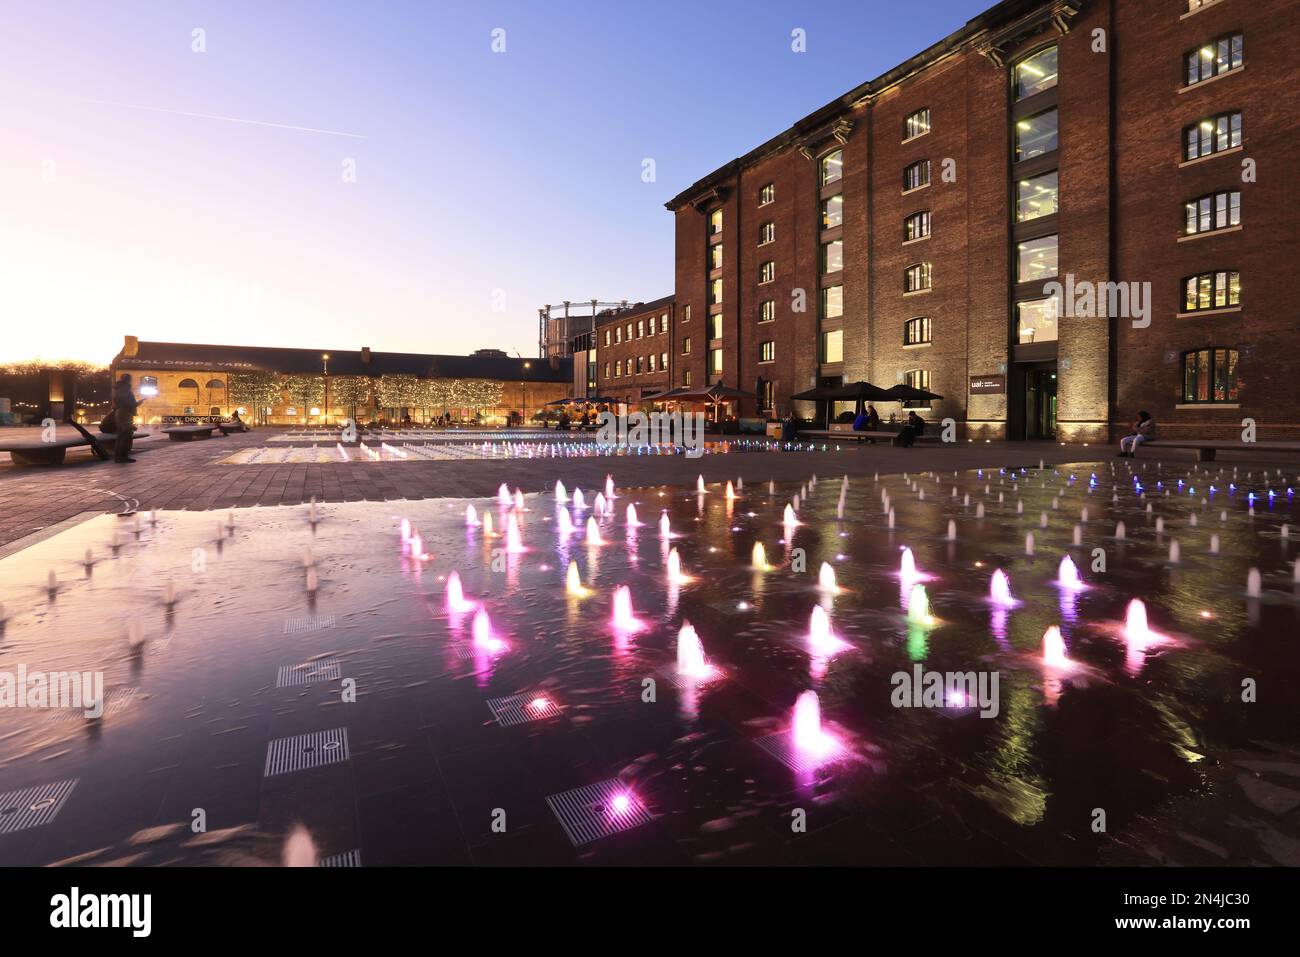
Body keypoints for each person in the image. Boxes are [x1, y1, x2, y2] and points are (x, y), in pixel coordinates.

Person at [111, 373, 140, 463]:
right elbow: (129, 403)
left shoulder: (119, 389)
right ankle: (122, 457)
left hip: (122, 413)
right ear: (127, 380)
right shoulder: (125, 389)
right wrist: (139, 403)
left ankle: (120, 456)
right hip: (124, 414)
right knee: (125, 435)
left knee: (122, 436)